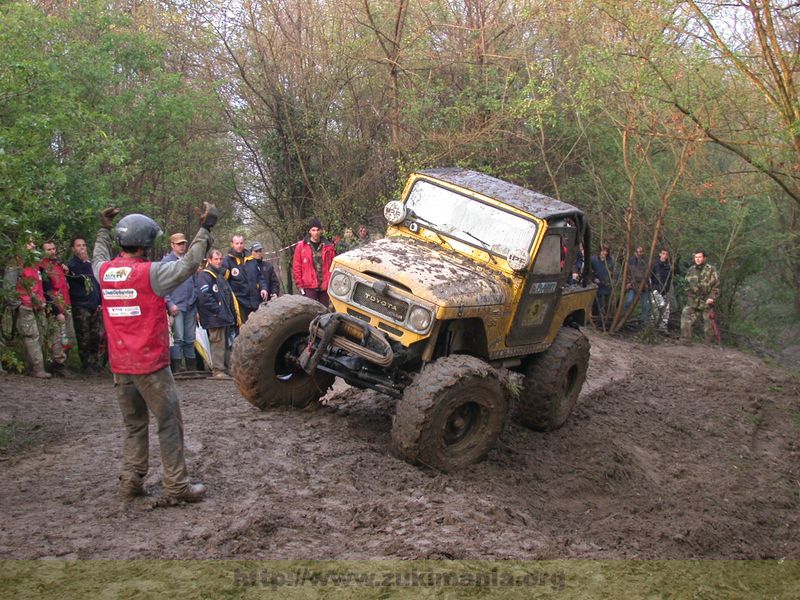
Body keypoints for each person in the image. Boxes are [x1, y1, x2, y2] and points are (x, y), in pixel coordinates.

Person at [92, 203, 217, 502]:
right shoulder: (152, 274)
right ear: (147, 243)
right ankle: (176, 485)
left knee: (134, 424)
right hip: (151, 365)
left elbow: (97, 256)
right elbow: (188, 265)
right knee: (168, 422)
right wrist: (205, 229)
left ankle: (131, 480)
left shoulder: (105, 272)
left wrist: (103, 230)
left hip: (121, 366)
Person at [3, 240, 50, 378]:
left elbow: (39, 284)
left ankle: (32, 367)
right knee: (31, 336)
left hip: (39, 306)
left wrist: (43, 301)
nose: (34, 245)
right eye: (29, 243)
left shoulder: (34, 263)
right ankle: (38, 369)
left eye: (34, 243)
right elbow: (8, 286)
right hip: (25, 306)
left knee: (40, 335)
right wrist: (17, 304)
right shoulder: (16, 263)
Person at [196, 248, 238, 379]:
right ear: (209, 260)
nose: (219, 261)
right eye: (216, 259)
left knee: (226, 343)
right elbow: (205, 296)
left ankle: (226, 368)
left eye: (220, 259)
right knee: (217, 342)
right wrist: (217, 310)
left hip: (224, 316)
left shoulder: (220, 275)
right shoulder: (205, 275)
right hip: (214, 316)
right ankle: (217, 370)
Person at [161, 233, 198, 373]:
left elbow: (195, 283)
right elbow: (163, 286)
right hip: (176, 305)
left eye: (183, 243)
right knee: (178, 338)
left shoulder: (189, 261)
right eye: (179, 244)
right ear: (172, 245)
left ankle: (191, 368)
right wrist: (170, 304)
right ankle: (176, 368)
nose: (182, 246)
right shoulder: (166, 262)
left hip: (190, 305)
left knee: (190, 338)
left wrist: (194, 299)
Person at [66, 237, 103, 375]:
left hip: (94, 305)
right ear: (73, 249)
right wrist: (86, 262)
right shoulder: (72, 265)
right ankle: (86, 364)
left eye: (84, 245)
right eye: (78, 245)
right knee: (84, 336)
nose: (82, 248)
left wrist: (100, 302)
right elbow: (81, 277)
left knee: (95, 336)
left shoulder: (91, 264)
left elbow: (97, 283)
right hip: (81, 305)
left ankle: (95, 362)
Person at [40, 241, 73, 377]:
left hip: (66, 303)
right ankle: (58, 364)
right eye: (48, 249)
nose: (52, 251)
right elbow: (47, 291)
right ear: (43, 251)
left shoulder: (58, 265)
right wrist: (56, 311)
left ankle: (63, 362)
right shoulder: (43, 267)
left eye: (54, 248)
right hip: (56, 306)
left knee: (68, 336)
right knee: (58, 337)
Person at [292, 217, 336, 306]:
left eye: (318, 230)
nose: (316, 232)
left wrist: (331, 283)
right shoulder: (301, 247)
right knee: (310, 313)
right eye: (313, 230)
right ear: (309, 231)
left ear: (321, 231)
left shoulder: (329, 247)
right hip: (308, 286)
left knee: (324, 312)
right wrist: (299, 285)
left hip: (325, 286)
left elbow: (333, 266)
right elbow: (297, 267)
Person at [680, 250, 720, 345]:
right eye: (696, 257)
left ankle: (709, 344)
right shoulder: (691, 270)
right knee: (686, 315)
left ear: (704, 258)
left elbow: (716, 286)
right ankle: (685, 341)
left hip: (707, 300)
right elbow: (686, 285)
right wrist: (690, 296)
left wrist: (712, 297)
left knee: (709, 323)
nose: (697, 259)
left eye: (699, 257)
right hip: (693, 300)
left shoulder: (711, 270)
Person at [223, 234, 264, 323]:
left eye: (241, 243)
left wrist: (263, 288)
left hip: (255, 301)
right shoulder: (227, 261)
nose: (239, 246)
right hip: (239, 302)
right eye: (237, 243)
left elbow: (260, 276)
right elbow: (223, 281)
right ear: (232, 244)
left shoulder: (251, 259)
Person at [650, 248, 677, 332]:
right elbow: (650, 277)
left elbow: (676, 272)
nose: (665, 255)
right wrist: (653, 288)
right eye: (663, 253)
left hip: (665, 291)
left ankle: (663, 327)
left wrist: (675, 264)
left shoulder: (669, 266)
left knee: (666, 309)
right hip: (656, 290)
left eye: (666, 254)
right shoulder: (655, 264)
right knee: (657, 307)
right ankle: (652, 326)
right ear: (660, 254)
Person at [623, 246, 651, 325]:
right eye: (638, 252)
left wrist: (647, 284)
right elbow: (627, 274)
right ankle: (624, 317)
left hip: (643, 286)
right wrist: (628, 283)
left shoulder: (646, 262)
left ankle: (643, 323)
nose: (639, 253)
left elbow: (648, 274)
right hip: (633, 285)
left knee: (646, 306)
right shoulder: (631, 261)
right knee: (629, 301)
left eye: (641, 252)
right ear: (635, 252)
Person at [590, 245, 614, 329]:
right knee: (598, 305)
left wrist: (611, 277)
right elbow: (588, 271)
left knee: (608, 305)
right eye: (603, 251)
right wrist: (594, 278)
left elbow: (614, 272)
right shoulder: (593, 259)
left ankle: (606, 322)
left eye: (607, 251)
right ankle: (597, 323)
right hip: (598, 286)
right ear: (600, 251)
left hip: (607, 285)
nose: (605, 253)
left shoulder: (610, 260)